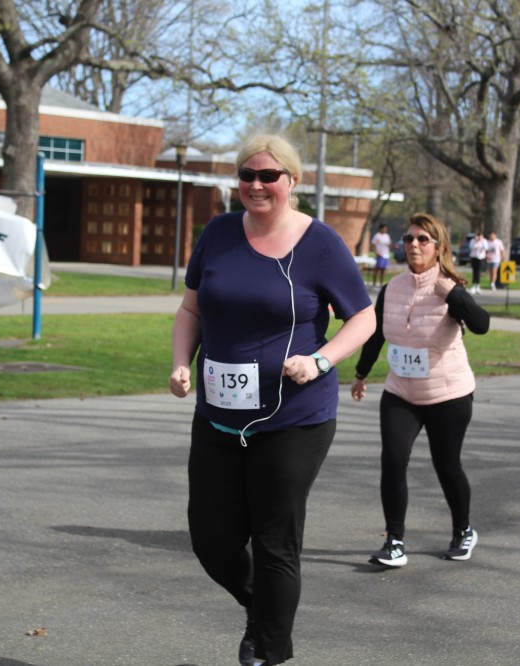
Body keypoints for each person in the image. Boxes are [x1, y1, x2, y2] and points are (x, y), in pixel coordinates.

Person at [169, 133, 376, 666]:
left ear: (292, 180)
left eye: (268, 176)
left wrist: (320, 361)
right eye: (247, 175)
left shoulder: (320, 243)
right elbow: (191, 310)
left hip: (294, 418)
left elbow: (363, 316)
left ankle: (268, 650)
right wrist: (180, 361)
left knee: (274, 542)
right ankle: (263, 612)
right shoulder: (218, 233)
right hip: (218, 417)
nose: (256, 185)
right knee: (211, 541)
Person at [350, 212, 490, 568]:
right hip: (401, 392)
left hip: (448, 394)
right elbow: (376, 335)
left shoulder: (450, 288)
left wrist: (453, 294)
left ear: (438, 246)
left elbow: (482, 324)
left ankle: (463, 530)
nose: (414, 245)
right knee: (393, 459)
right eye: (409, 239)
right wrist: (361, 374)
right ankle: (394, 542)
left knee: (447, 465)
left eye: (422, 239)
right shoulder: (392, 288)